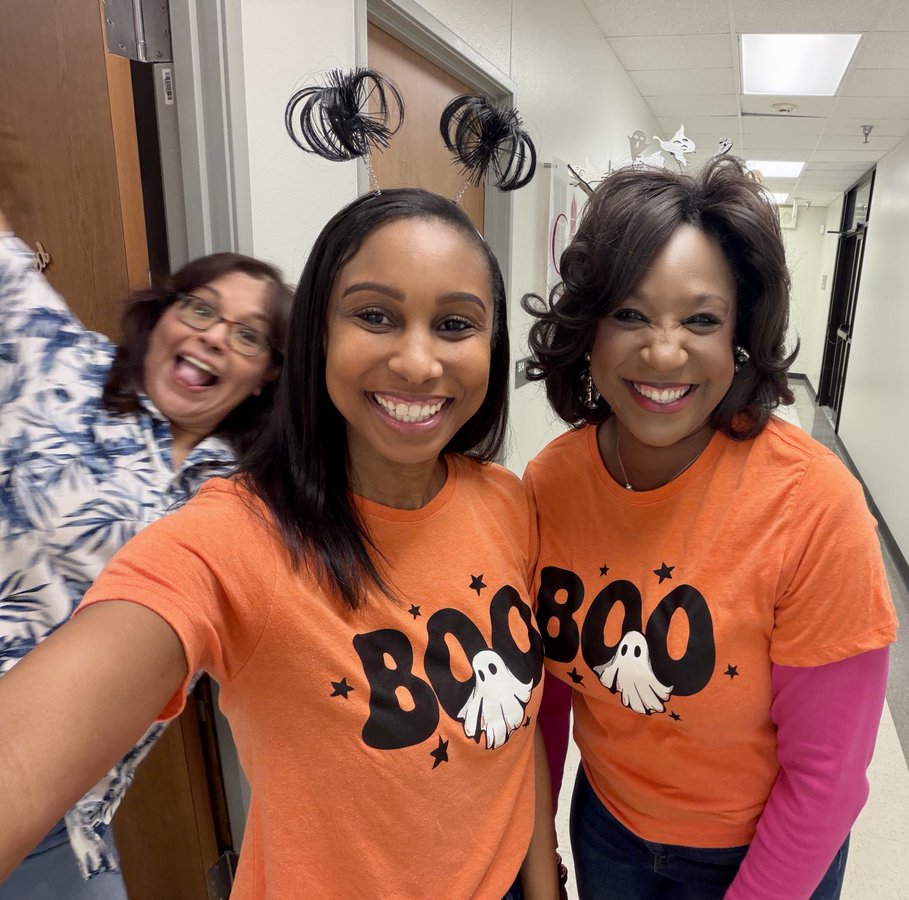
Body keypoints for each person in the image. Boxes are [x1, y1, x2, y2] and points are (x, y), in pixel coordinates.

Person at [0, 189, 559, 899]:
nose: (419, 363)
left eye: (454, 324)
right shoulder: (235, 535)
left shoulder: (506, 501)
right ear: (319, 336)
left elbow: (513, 735)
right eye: (375, 315)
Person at [521, 156, 898, 900]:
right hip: (607, 830)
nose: (664, 352)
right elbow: (544, 704)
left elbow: (826, 780)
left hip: (765, 854)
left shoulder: (813, 504)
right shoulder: (551, 483)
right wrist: (540, 865)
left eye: (701, 319)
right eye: (630, 314)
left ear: (741, 336)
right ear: (588, 330)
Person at [0, 208, 290, 899]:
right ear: (164, 314)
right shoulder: (60, 365)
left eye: (248, 335)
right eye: (199, 307)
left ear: (266, 376)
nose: (214, 336)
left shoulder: (250, 501)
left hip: (70, 816)